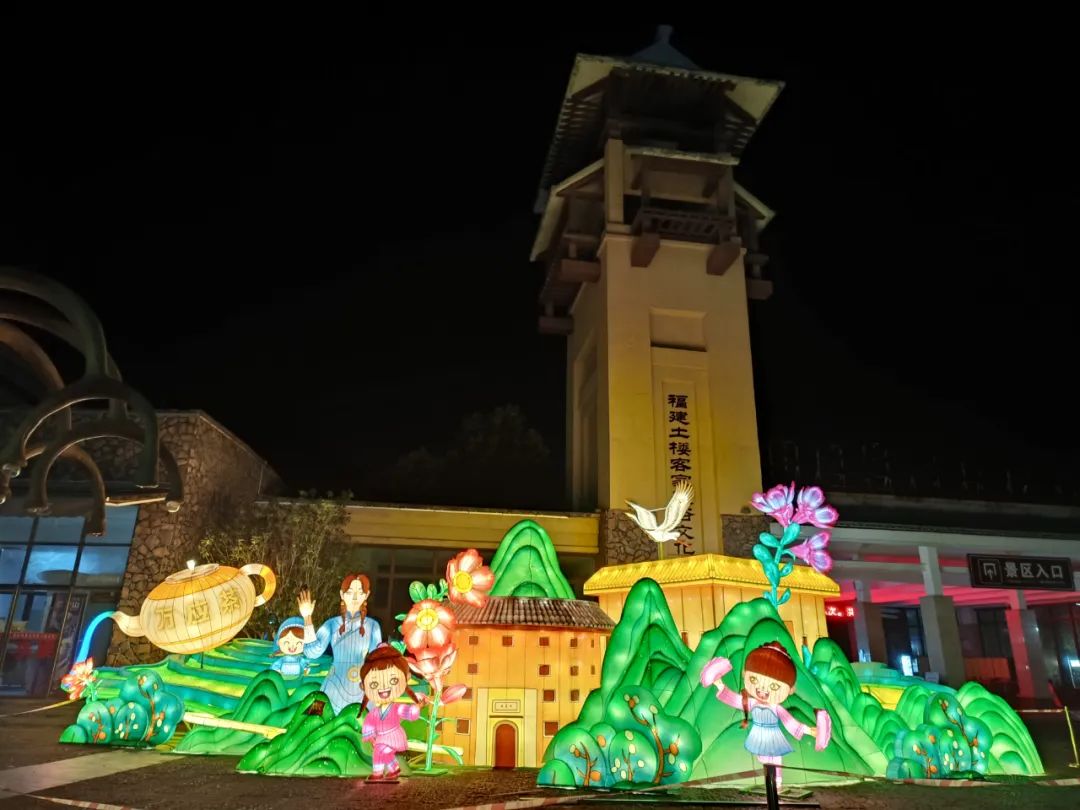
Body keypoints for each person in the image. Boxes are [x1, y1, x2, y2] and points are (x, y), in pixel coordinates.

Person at [700, 642, 831, 790]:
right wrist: (719, 684)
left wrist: (810, 731)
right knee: (764, 759)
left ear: (790, 690)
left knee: (776, 758)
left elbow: (790, 722)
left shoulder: (776, 708)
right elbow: (735, 700)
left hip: (773, 736)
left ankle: (777, 784)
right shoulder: (752, 703)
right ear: (745, 674)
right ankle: (771, 785)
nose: (762, 690)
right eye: (754, 680)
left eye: (774, 686)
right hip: (758, 735)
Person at [298, 574, 382, 714]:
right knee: (319, 721)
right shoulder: (332, 624)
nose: (355, 597)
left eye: (360, 592)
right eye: (350, 592)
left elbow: (377, 660)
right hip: (333, 684)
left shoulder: (373, 626)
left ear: (366, 595)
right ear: (342, 594)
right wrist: (307, 617)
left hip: (361, 687)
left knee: (362, 723)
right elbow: (312, 652)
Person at [360, 643, 427, 782]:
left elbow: (409, 712)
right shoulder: (375, 713)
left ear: (406, 678)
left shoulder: (396, 708)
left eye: (393, 680)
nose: (384, 688)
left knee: (379, 752)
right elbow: (369, 724)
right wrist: (371, 737)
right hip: (381, 738)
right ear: (363, 686)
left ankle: (377, 773)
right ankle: (394, 768)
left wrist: (418, 707)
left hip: (393, 735)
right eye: (374, 684)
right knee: (385, 753)